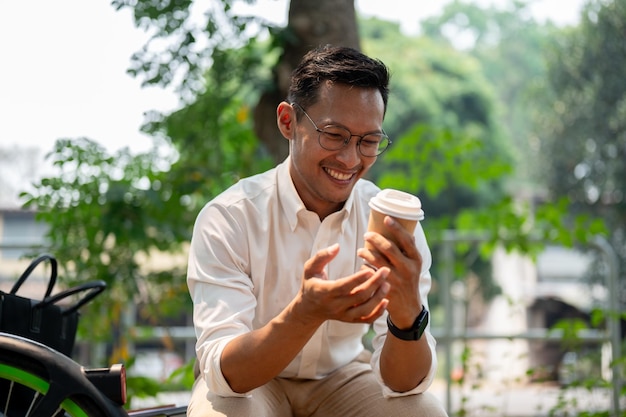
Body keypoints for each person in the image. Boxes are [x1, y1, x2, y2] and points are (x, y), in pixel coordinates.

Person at [186, 44, 448, 417]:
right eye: (334, 135)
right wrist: (304, 314)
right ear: (288, 121)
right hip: (254, 380)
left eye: (369, 141)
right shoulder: (230, 217)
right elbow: (227, 374)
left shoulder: (390, 227)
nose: (350, 158)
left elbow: (404, 386)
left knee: (423, 412)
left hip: (343, 376)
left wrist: (407, 315)